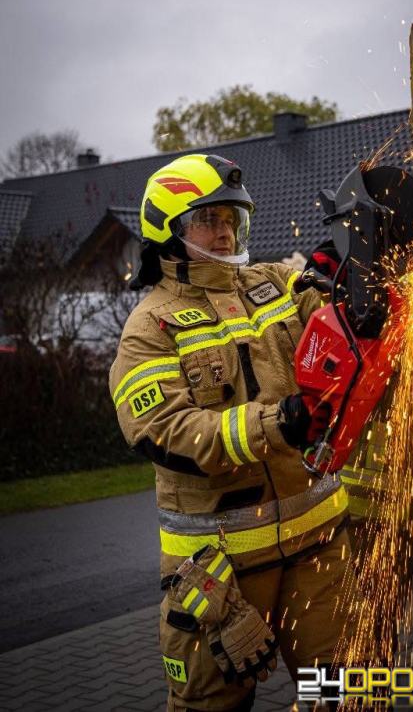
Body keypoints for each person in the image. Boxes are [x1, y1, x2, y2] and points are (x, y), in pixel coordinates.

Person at [109, 153, 366, 711]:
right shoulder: (149, 328)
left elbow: (331, 303)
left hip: (318, 552)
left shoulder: (270, 282)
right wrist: (276, 423)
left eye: (231, 218)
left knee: (343, 697)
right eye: (209, 219)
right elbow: (163, 431)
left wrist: (352, 256)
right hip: (220, 577)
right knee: (213, 708)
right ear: (169, 231)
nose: (224, 231)